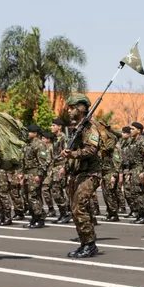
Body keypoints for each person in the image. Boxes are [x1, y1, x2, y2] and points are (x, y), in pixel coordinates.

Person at [62, 93, 101, 258]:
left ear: (81, 108)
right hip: (79, 173)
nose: (69, 111)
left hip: (90, 173)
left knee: (80, 208)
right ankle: (84, 242)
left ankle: (90, 244)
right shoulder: (77, 129)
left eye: (72, 108)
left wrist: (73, 154)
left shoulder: (89, 128)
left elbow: (92, 149)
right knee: (74, 209)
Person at [20, 124, 50, 229]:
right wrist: (22, 174)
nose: (27, 134)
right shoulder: (29, 144)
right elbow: (24, 161)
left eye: (29, 132)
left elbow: (44, 161)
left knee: (34, 197)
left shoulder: (39, 144)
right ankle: (33, 218)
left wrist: (39, 174)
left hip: (34, 173)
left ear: (35, 133)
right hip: (28, 174)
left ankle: (39, 218)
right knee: (28, 197)